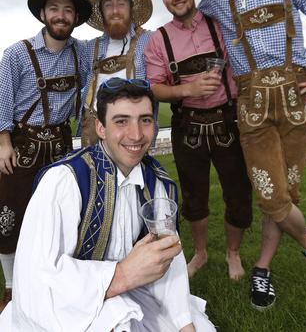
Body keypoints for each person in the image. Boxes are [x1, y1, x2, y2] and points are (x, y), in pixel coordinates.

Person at [0, 78, 216, 332]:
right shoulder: (64, 181)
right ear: (101, 128)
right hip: (67, 306)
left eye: (145, 120)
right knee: (117, 321)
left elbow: (169, 259)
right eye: (121, 121)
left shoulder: (157, 184)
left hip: (134, 294)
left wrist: (183, 323)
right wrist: (121, 275)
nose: (136, 135)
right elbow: (36, 279)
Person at [189, 0, 306, 310]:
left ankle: (261, 269)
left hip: (297, 98)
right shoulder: (213, 0)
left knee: (289, 191)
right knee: (271, 195)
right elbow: (183, 15)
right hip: (252, 103)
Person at [145, 0, 253, 281]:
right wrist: (189, 89)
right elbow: (154, 87)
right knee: (193, 196)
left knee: (238, 193)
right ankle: (201, 252)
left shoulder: (220, 25)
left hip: (226, 120)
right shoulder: (158, 40)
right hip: (187, 125)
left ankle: (232, 253)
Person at [0, 0, 92, 313]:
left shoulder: (82, 51)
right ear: (43, 13)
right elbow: (2, 102)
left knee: (61, 213)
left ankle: (52, 275)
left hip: (62, 144)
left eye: (68, 10)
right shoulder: (15, 53)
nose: (61, 15)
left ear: (76, 17)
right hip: (22, 144)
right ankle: (12, 286)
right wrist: (3, 142)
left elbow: (114, 49)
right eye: (54, 8)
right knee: (9, 214)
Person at [80, 0, 153, 147]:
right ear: (102, 12)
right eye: (108, 5)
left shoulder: (150, 40)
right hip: (94, 134)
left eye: (121, 3)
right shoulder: (90, 48)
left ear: (131, 9)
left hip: (133, 133)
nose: (115, 11)